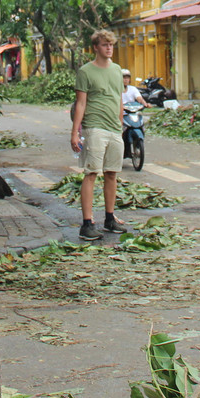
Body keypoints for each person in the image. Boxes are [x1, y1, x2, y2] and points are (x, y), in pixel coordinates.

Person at [70, 29, 129, 240]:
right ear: (96, 47)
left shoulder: (117, 70)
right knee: (92, 173)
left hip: (114, 128)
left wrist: (121, 125)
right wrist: (75, 132)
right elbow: (81, 103)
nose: (109, 48)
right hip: (94, 127)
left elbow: (119, 99)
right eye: (105, 44)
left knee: (112, 173)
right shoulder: (85, 72)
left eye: (111, 44)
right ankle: (87, 223)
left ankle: (110, 219)